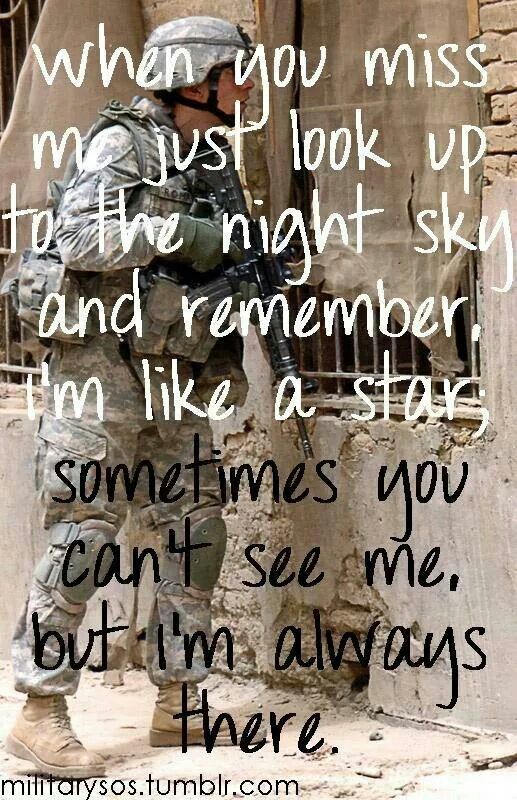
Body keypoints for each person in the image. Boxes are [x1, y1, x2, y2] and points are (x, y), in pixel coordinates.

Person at [6, 16, 256, 778]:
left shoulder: (210, 157)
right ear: (196, 78)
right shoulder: (122, 144)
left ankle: (179, 700)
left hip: (174, 369)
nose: (246, 87)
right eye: (234, 73)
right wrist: (177, 232)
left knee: (196, 530)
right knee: (83, 533)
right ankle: (39, 712)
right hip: (99, 369)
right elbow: (80, 240)